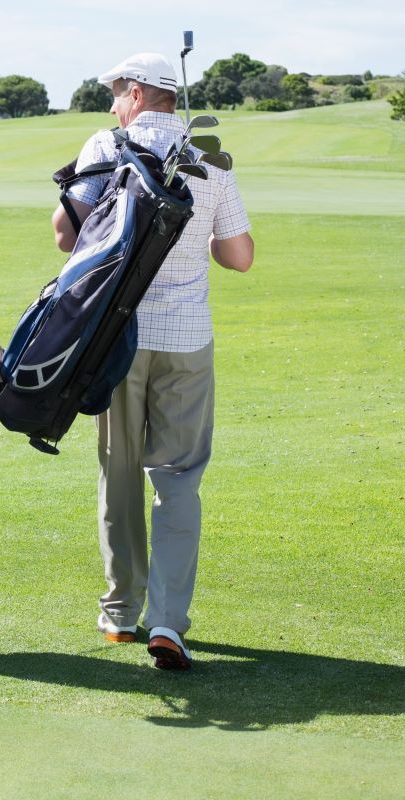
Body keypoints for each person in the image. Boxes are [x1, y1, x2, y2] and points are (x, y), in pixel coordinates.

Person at [51, 52, 254, 671]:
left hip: (113, 338)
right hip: (187, 339)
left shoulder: (103, 146)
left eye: (116, 91)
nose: (113, 103)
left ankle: (119, 614)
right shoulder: (209, 159)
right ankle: (168, 621)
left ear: (138, 94)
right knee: (179, 478)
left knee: (118, 471)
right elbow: (239, 256)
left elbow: (66, 235)